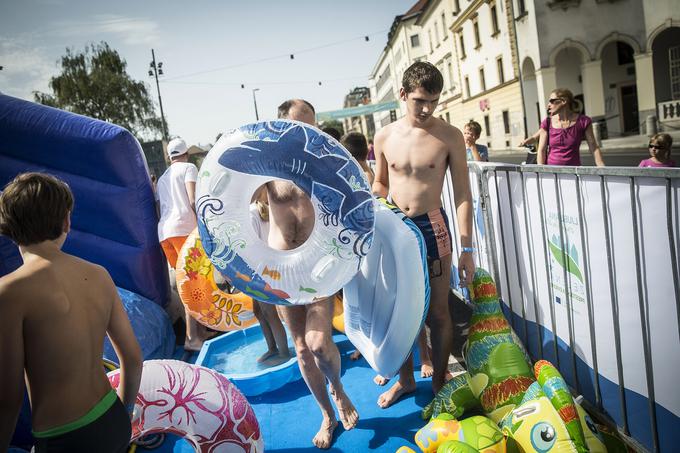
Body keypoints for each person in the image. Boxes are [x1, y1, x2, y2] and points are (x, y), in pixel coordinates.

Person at [0, 172, 142, 452]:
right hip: (111, 418)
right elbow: (133, 358)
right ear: (66, 221)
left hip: (64, 437)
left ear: (8, 225)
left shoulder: (10, 292)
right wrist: (124, 415)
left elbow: (9, 397)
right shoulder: (99, 275)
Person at [373, 61, 475, 408]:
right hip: (395, 228)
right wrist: (374, 198)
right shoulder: (384, 135)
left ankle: (439, 384)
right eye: (419, 100)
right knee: (399, 308)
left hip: (433, 226)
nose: (427, 108)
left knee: (438, 312)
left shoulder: (449, 135)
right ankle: (405, 381)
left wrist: (468, 248)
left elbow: (462, 193)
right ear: (402, 95)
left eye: (433, 100)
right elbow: (382, 182)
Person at [271, 99, 358, 449]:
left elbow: (356, 201)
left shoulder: (324, 168)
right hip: (280, 270)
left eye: (314, 127)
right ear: (284, 129)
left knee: (320, 343)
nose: (310, 135)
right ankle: (327, 414)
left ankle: (337, 388)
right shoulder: (265, 169)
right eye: (301, 128)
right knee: (301, 349)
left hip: (318, 267)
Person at [156, 137, 212, 352]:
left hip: (165, 233)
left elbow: (159, 209)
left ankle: (200, 331)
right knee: (193, 283)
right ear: (186, 153)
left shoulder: (162, 178)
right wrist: (204, 226)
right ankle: (191, 338)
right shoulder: (189, 168)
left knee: (185, 283)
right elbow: (192, 200)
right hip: (184, 230)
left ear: (169, 157)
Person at [250, 186, 290, 365]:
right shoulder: (267, 209)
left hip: (259, 270)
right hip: (266, 267)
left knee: (269, 313)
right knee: (259, 311)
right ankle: (273, 347)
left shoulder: (252, 212)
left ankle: (283, 352)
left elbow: (251, 244)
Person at [536, 88, 606, 167]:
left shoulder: (583, 121)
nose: (549, 105)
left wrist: (602, 168)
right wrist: (541, 171)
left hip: (574, 172)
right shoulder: (547, 123)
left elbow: (593, 147)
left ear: (563, 101)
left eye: (552, 101)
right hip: (553, 173)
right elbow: (542, 150)